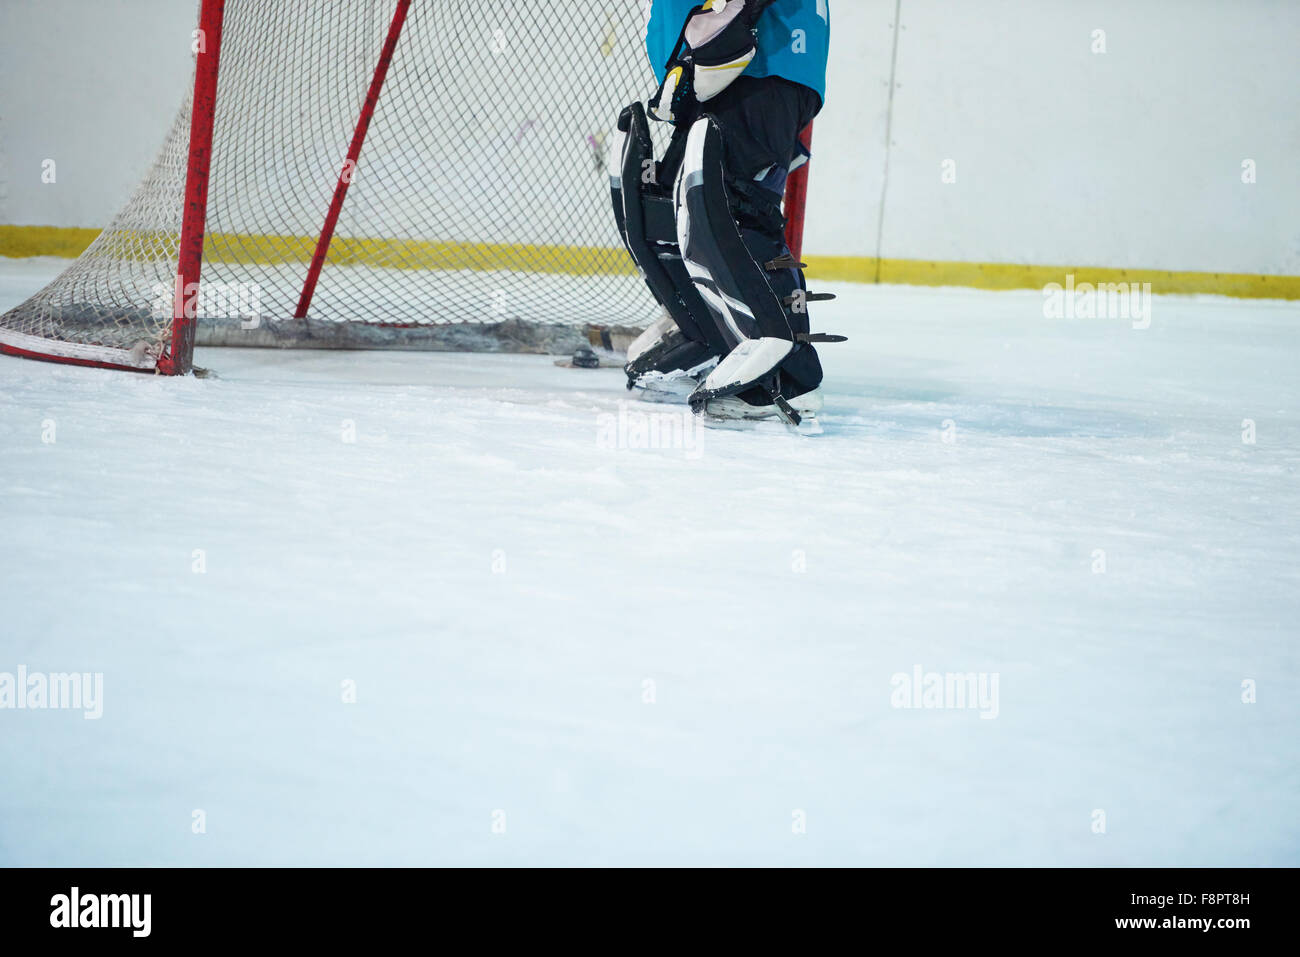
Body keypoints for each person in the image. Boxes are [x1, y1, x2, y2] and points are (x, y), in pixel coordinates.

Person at [612, 0, 836, 430]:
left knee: (731, 209)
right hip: (727, 67)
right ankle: (714, 337)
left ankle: (787, 376)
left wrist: (729, 22)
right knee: (673, 207)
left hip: (757, 62)